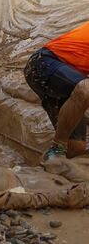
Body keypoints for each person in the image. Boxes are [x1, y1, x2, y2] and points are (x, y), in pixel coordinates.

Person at [24, 21, 89, 160]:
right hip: (43, 63)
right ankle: (57, 147)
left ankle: (52, 160)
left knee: (76, 149)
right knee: (86, 89)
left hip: (67, 84)